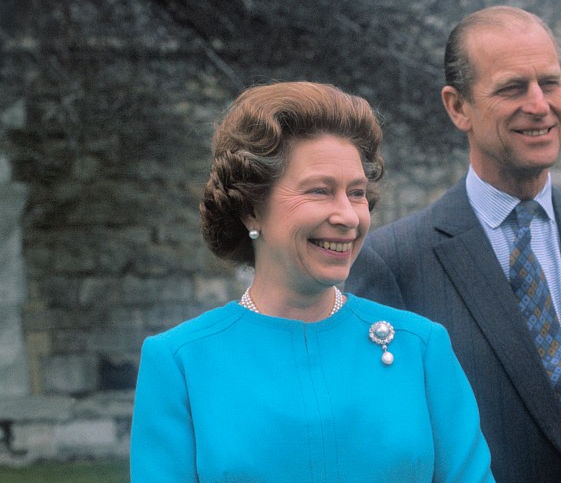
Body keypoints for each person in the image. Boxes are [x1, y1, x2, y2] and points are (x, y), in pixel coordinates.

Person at [345, 5, 561, 482]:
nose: (540, 105)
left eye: (550, 82)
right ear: (457, 107)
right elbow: (386, 446)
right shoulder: (394, 263)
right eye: (511, 88)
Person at [130, 81, 493, 482]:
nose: (348, 216)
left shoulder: (421, 347)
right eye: (320, 191)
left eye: (356, 193)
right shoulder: (180, 361)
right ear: (251, 209)